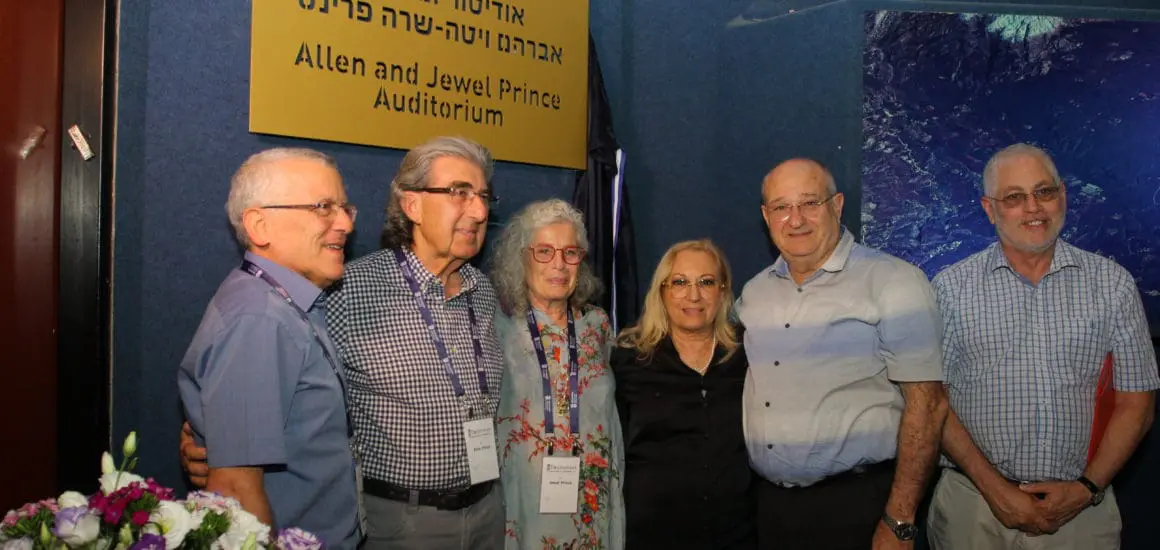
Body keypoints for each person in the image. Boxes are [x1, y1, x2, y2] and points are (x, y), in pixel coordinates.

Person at [181, 136, 505, 550]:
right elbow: (246, 380)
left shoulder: (484, 291)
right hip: (399, 522)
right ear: (412, 206)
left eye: (483, 196)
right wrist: (210, 436)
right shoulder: (345, 289)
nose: (479, 211)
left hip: (485, 509)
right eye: (460, 193)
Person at [926, 143, 1160, 549]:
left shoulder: (1113, 285)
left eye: (1044, 192)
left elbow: (1136, 404)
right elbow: (932, 402)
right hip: (974, 509)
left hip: (1083, 513)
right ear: (989, 208)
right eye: (1014, 197)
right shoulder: (950, 289)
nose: (1033, 208)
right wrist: (996, 491)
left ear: (1063, 195)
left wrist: (1087, 488)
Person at [737, 158, 948, 550]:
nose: (795, 219)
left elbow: (929, 407)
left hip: (861, 509)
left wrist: (899, 520)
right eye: (782, 207)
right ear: (767, 216)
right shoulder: (753, 295)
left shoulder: (894, 282)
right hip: (770, 511)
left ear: (837, 205)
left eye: (810, 203)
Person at [176, 148, 361, 549]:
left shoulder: (288, 303)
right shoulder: (258, 319)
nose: (344, 223)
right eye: (323, 207)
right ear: (260, 225)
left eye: (345, 208)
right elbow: (236, 493)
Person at [488, 199, 625, 549]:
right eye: (544, 251)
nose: (559, 265)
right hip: (523, 501)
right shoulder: (496, 325)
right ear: (521, 258)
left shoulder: (597, 325)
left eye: (571, 252)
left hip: (592, 501)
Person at [612, 239, 754, 549]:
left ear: (723, 290)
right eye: (679, 282)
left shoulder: (749, 355)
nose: (693, 295)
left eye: (706, 282)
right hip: (653, 535)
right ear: (661, 292)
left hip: (735, 534)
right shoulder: (628, 359)